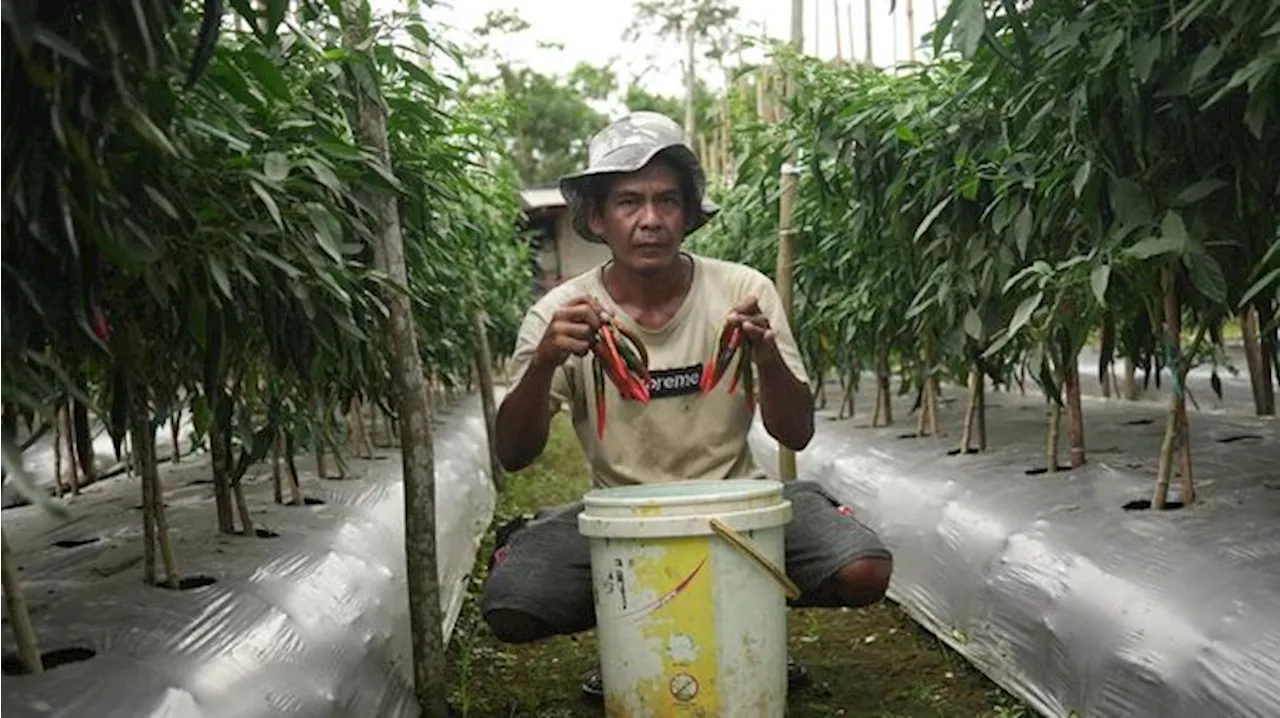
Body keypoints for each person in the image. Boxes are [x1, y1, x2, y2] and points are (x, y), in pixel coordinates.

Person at [482, 111, 893, 700]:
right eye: (629, 202)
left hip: (737, 501)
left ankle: (752, 630)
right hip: (620, 519)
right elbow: (515, 454)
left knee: (863, 570)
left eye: (667, 201)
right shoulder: (562, 314)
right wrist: (545, 361)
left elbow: (794, 432)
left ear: (689, 214)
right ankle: (630, 635)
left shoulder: (741, 293)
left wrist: (767, 357)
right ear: (597, 217)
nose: (650, 219)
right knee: (513, 608)